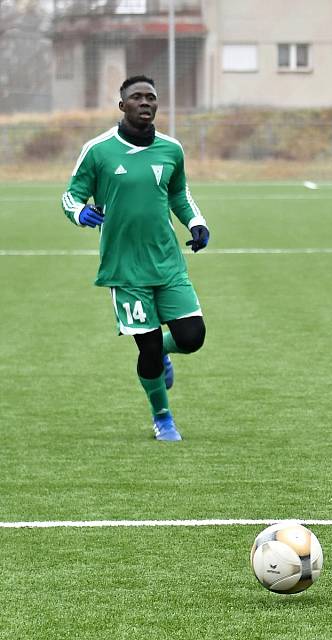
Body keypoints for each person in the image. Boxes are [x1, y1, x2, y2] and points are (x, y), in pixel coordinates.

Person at [61, 74, 210, 442]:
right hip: (125, 268)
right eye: (137, 97)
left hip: (168, 262)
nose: (145, 103)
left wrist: (196, 222)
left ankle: (163, 355)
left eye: (151, 97)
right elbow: (71, 196)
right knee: (149, 345)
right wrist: (80, 213)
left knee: (192, 336)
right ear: (122, 105)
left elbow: (179, 193)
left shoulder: (171, 149)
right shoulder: (98, 150)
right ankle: (162, 417)